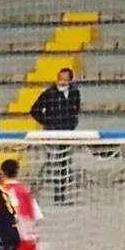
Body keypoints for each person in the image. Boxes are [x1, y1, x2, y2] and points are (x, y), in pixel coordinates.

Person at [30, 68, 81, 205]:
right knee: (51, 162)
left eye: (65, 79)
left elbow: (76, 110)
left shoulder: (75, 92)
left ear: (70, 80)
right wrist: (47, 122)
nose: (62, 81)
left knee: (64, 162)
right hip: (52, 132)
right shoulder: (49, 93)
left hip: (67, 132)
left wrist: (72, 123)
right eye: (60, 78)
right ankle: (37, 189)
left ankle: (60, 194)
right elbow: (34, 110)